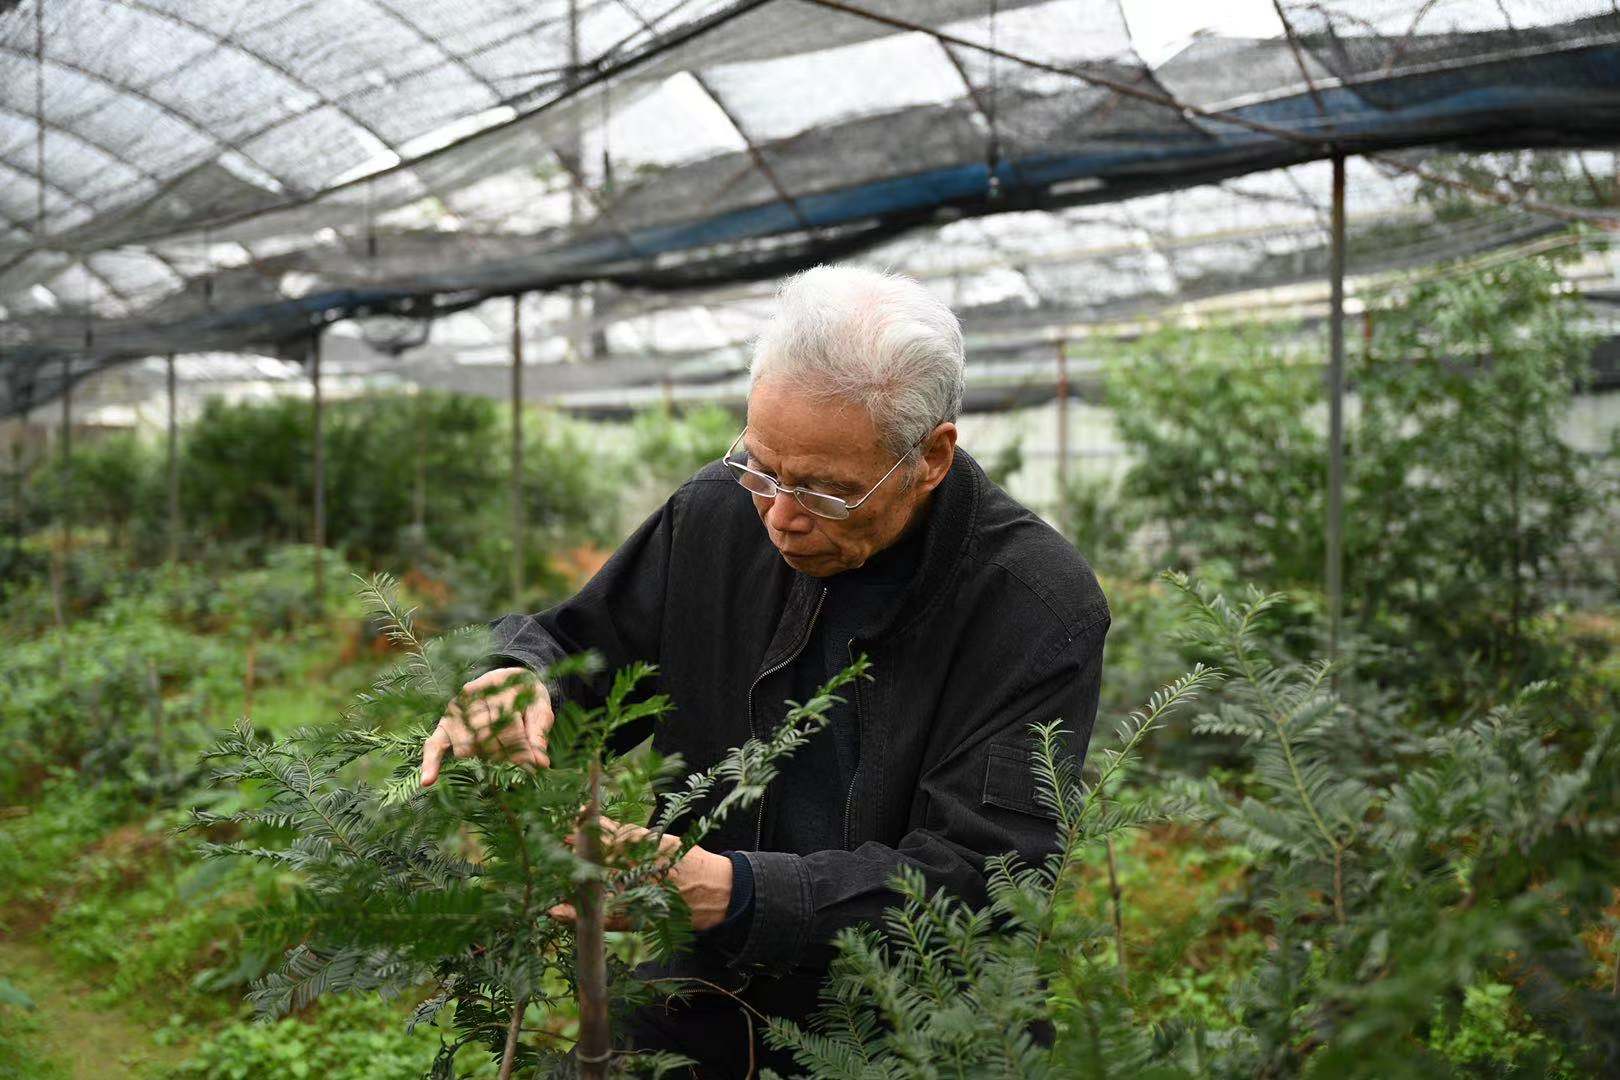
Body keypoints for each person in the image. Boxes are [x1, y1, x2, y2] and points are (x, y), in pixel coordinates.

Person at [419, 264, 1110, 1077]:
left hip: (912, 1028)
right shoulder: (714, 515)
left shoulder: (1031, 603)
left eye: (826, 490)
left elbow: (983, 878)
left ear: (930, 456)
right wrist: (523, 677)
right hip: (697, 1002)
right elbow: (585, 647)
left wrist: (736, 892)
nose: (781, 516)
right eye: (762, 467)